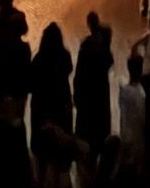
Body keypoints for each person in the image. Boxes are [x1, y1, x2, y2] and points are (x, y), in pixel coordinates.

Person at [30, 23, 73, 158]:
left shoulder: (38, 58)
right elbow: (68, 70)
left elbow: (32, 81)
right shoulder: (64, 56)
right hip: (61, 105)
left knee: (43, 148)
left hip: (42, 107)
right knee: (60, 147)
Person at [74, 11, 113, 158]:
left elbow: (79, 72)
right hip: (101, 91)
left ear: (88, 24)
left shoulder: (86, 45)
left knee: (87, 128)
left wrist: (77, 93)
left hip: (88, 92)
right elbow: (109, 61)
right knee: (100, 125)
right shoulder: (104, 44)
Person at [118, 54, 147, 172]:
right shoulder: (141, 94)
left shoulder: (124, 91)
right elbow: (143, 117)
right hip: (137, 137)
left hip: (125, 132)